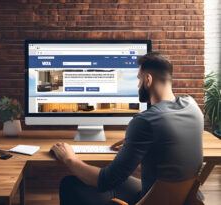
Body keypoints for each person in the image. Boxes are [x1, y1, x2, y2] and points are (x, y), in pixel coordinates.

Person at [50, 52, 204, 205]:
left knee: (69, 184)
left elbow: (105, 181)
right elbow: (171, 137)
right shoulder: (191, 106)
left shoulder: (144, 121)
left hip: (149, 200)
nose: (138, 84)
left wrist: (69, 158)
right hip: (178, 198)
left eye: (139, 78)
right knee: (122, 179)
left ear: (147, 79)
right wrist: (139, 142)